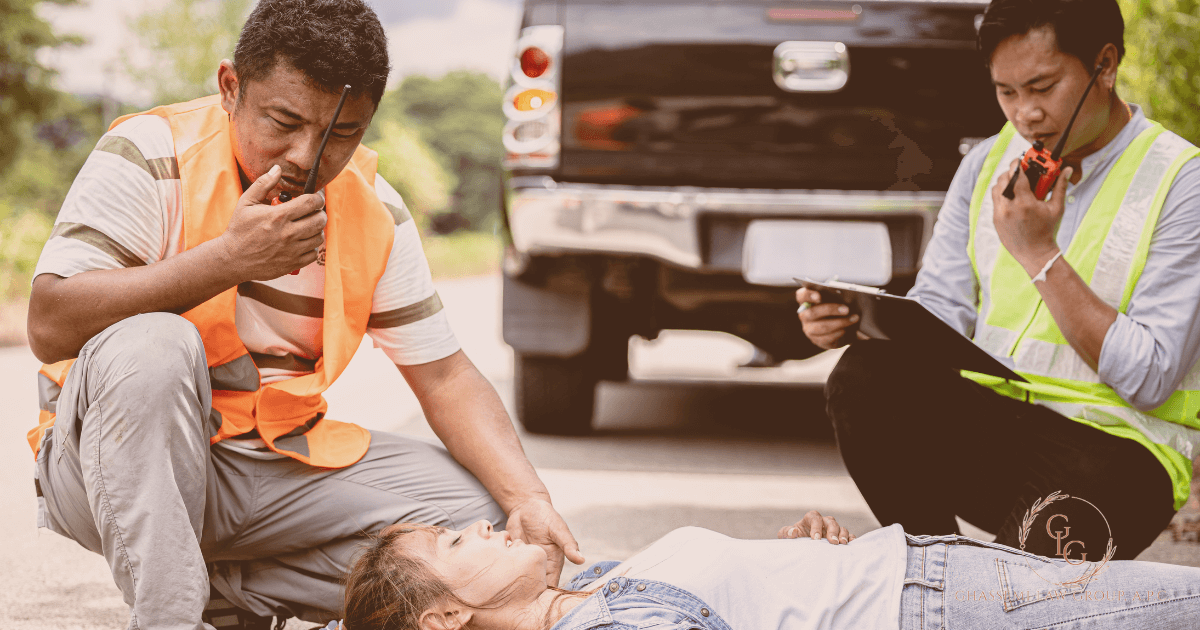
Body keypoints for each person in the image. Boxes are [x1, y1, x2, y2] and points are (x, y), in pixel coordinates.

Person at [24, 1, 582, 628]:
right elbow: (49, 322)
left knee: (475, 522)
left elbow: (446, 377)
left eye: (341, 133)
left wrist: (527, 498)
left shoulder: (374, 210)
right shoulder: (151, 151)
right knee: (153, 344)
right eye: (284, 120)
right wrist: (228, 260)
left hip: (272, 461)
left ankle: (230, 589)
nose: (306, 156)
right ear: (230, 87)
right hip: (112, 463)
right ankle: (171, 616)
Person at [795, 0, 1200, 562]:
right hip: (1003, 437)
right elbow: (936, 315)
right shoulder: (988, 164)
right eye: (1006, 92)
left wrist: (1039, 253)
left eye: (1042, 87)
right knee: (866, 377)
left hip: (1118, 459)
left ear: (1105, 66)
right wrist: (854, 324)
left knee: (1007, 599)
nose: (1025, 114)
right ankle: (937, 570)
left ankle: (968, 592)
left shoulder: (1182, 183)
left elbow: (1152, 376)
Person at [340, 511, 1200, 630]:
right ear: (444, 618)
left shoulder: (594, 587)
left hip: (935, 571)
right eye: (458, 545)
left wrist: (792, 554)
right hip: (934, 608)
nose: (483, 526)